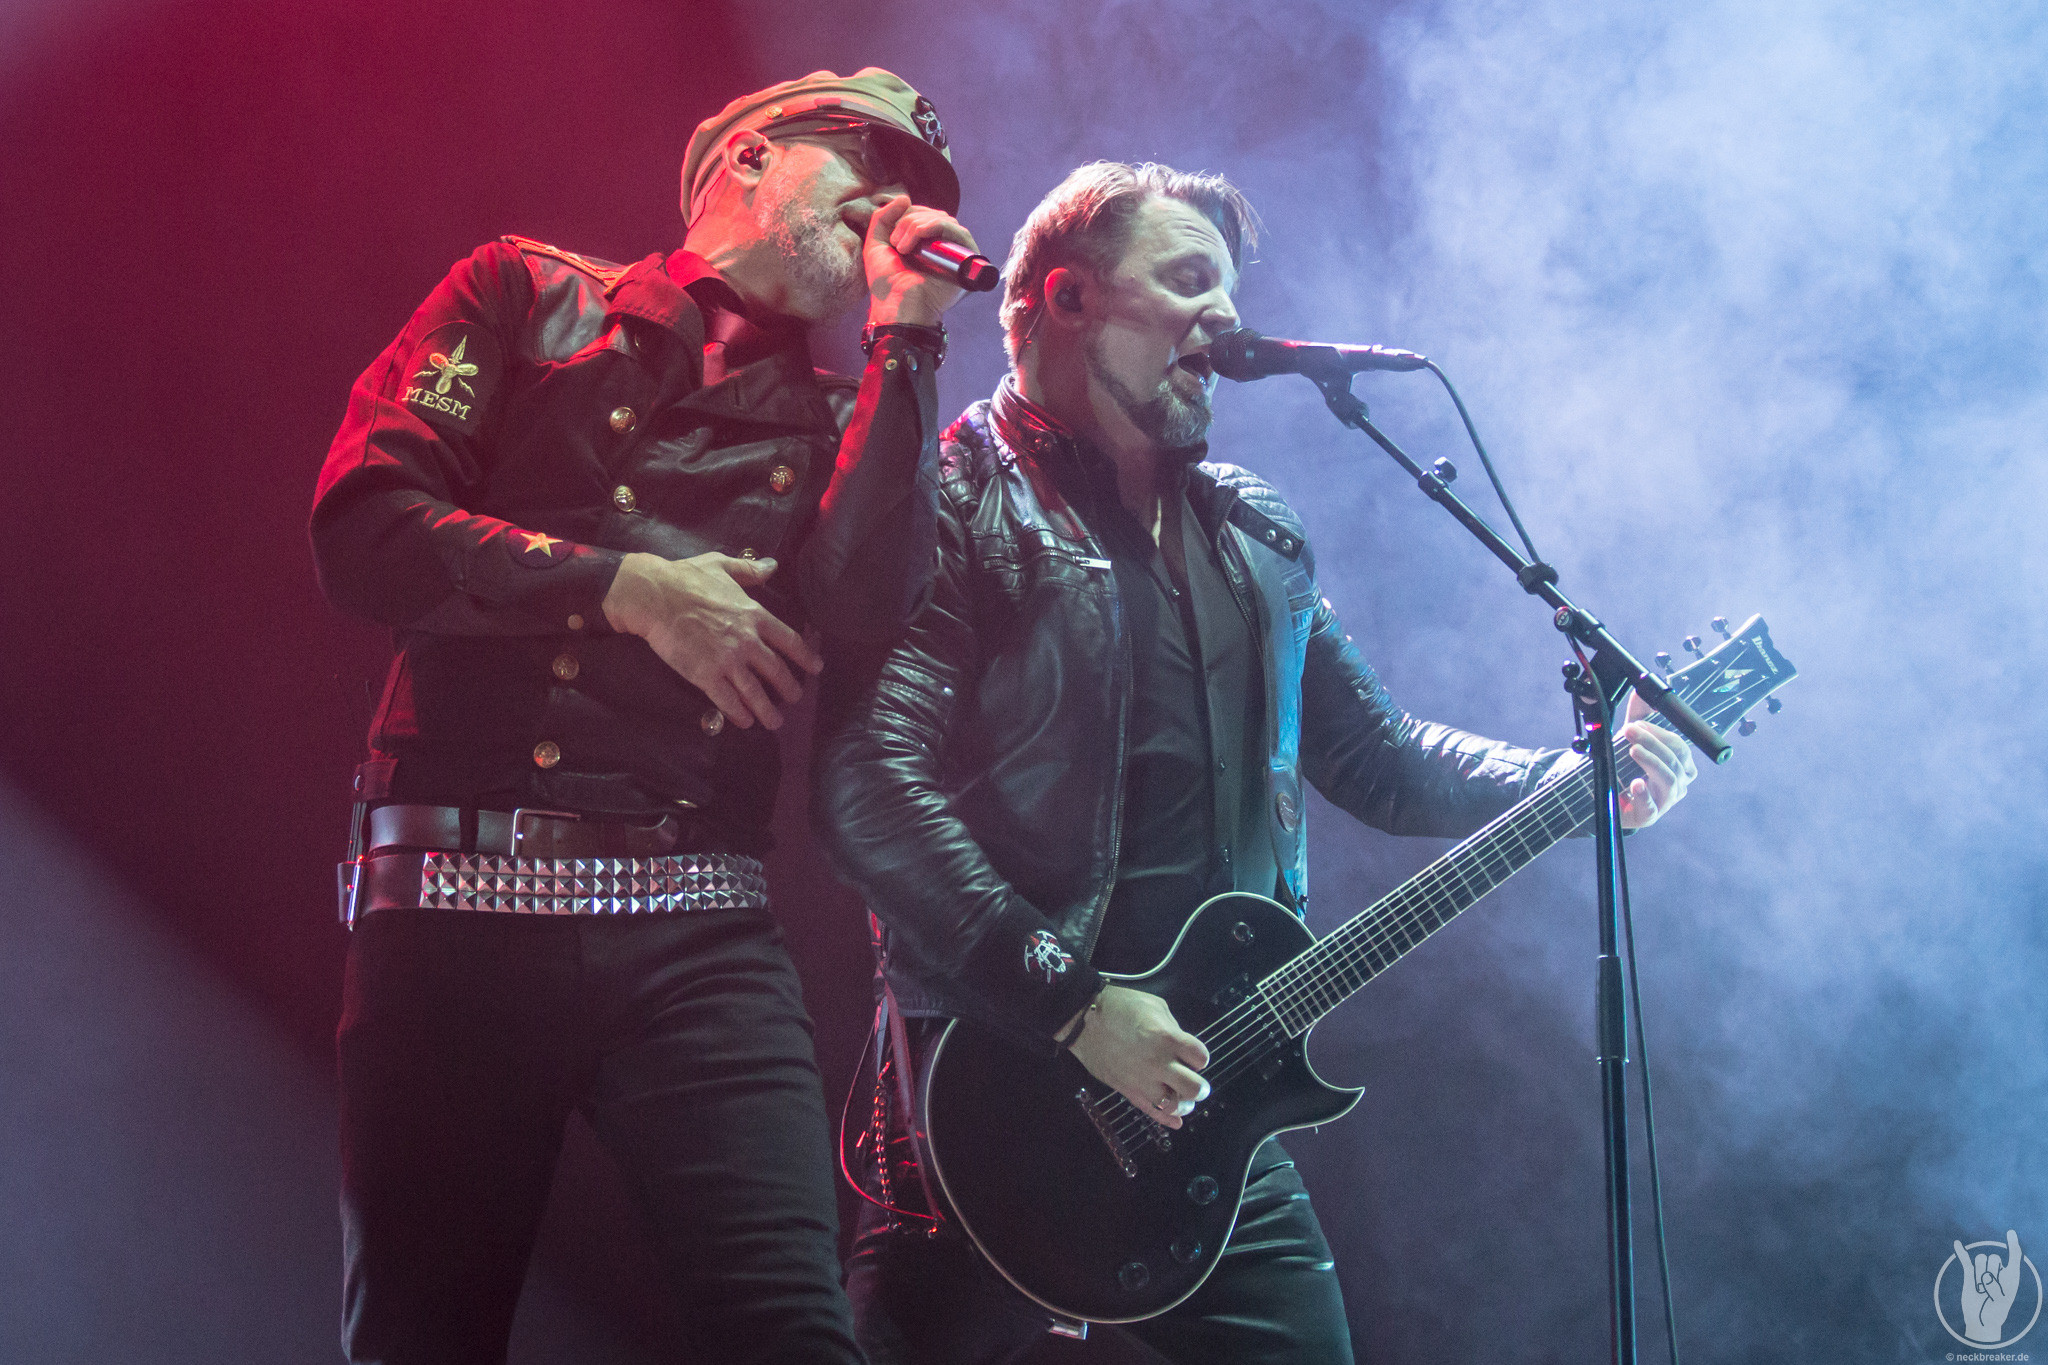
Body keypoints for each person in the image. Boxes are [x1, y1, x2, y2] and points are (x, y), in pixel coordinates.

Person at [812, 161, 1698, 1365]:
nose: (1224, 319)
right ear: (1065, 299)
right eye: (1187, 281)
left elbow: (1379, 759)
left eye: (1230, 290)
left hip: (1200, 1102)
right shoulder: (953, 496)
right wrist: (1074, 1008)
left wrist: (1575, 781)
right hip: (985, 1104)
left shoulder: (1252, 528)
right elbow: (867, 790)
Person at [311, 68, 977, 1365]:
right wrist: (627, 591)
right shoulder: (522, 294)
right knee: (422, 1335)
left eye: (919, 196)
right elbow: (365, 531)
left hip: (696, 932)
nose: (892, 209)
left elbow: (866, 605)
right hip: (455, 909)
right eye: (869, 169)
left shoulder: (843, 422)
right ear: (748, 156)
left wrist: (908, 341)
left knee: (794, 1333)